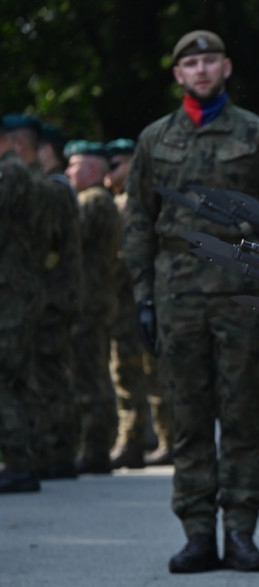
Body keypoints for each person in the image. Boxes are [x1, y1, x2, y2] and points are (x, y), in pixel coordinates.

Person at [123, 30, 259, 573]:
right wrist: (144, 299)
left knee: (243, 414)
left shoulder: (258, 135)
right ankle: (197, 533)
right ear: (177, 75)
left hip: (241, 295)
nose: (200, 69)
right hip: (177, 298)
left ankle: (240, 531)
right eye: (190, 62)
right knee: (188, 417)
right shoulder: (154, 139)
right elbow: (140, 224)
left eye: (209, 60)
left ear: (227, 67)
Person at [0, 114, 62, 493]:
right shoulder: (27, 176)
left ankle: (19, 462)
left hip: (10, 291)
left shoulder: (10, 173)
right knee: (20, 377)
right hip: (21, 288)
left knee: (7, 377)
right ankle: (26, 458)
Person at [105, 137, 175, 469]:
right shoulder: (119, 203)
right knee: (126, 376)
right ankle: (131, 441)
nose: (110, 172)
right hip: (123, 304)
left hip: (147, 298)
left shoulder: (144, 203)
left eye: (116, 164)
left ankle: (169, 440)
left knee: (156, 372)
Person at [64, 140, 121, 474]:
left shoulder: (92, 201)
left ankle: (95, 447)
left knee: (90, 376)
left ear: (93, 170)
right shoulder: (102, 200)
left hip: (89, 301)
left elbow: (70, 238)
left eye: (75, 165)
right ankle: (95, 446)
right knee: (94, 372)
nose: (69, 171)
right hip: (97, 298)